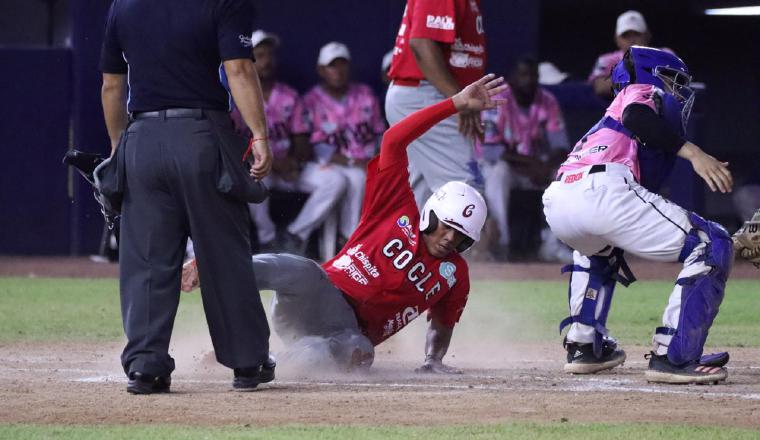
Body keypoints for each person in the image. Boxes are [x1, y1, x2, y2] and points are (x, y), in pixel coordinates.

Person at [183, 74, 507, 372]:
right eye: (446, 226)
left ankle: (252, 362)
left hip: (350, 332)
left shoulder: (454, 276)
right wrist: (455, 103)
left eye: (462, 238)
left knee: (355, 354)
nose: (450, 238)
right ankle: (212, 268)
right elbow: (394, 140)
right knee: (303, 269)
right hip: (318, 295)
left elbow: (443, 322)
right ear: (430, 214)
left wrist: (433, 359)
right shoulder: (395, 207)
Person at [100, 0, 274, 394]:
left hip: (141, 138)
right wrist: (259, 134)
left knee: (146, 260)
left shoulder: (123, 6)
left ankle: (146, 367)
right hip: (201, 135)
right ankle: (247, 362)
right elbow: (239, 69)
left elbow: (112, 83)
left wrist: (118, 148)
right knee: (223, 253)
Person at [543, 46, 736, 384]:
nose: (678, 91)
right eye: (673, 81)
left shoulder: (606, 122)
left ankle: (584, 345)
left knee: (599, 250)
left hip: (560, 198)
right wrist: (694, 153)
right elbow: (637, 116)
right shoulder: (640, 91)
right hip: (602, 189)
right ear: (651, 74)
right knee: (712, 242)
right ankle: (673, 357)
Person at [228, 31, 348, 253]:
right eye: (259, 55)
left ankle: (295, 234)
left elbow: (301, 137)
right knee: (252, 179)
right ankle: (268, 238)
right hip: (257, 168)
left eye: (269, 56)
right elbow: (232, 142)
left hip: (288, 168)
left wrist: (294, 161)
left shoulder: (288, 95)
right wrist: (272, 164)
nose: (266, 61)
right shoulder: (236, 97)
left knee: (336, 180)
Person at [386, 0, 486, 207]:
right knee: (466, 198)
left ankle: (384, 240)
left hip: (426, 94)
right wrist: (459, 100)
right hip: (428, 94)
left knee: (415, 203)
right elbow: (422, 44)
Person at [291, 42, 385, 249]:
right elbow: (311, 146)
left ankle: (347, 239)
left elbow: (380, 134)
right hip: (326, 164)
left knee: (359, 177)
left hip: (364, 162)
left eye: (342, 64)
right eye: (332, 65)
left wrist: (375, 159)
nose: (338, 70)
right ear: (321, 70)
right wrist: (352, 161)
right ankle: (346, 238)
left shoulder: (365, 95)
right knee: (348, 178)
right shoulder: (311, 100)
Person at [480, 56, 570, 260]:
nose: (528, 80)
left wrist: (545, 167)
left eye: (533, 75)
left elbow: (561, 146)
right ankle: (501, 244)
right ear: (512, 78)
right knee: (497, 173)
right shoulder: (497, 100)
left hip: (537, 169)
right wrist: (533, 165)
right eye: (523, 75)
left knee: (564, 175)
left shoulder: (548, 101)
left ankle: (553, 244)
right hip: (508, 168)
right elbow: (491, 150)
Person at [588, 11, 669, 99]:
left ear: (647, 35)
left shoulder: (665, 54)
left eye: (637, 34)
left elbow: (677, 84)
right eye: (626, 35)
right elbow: (600, 87)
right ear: (616, 39)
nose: (632, 40)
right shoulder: (606, 60)